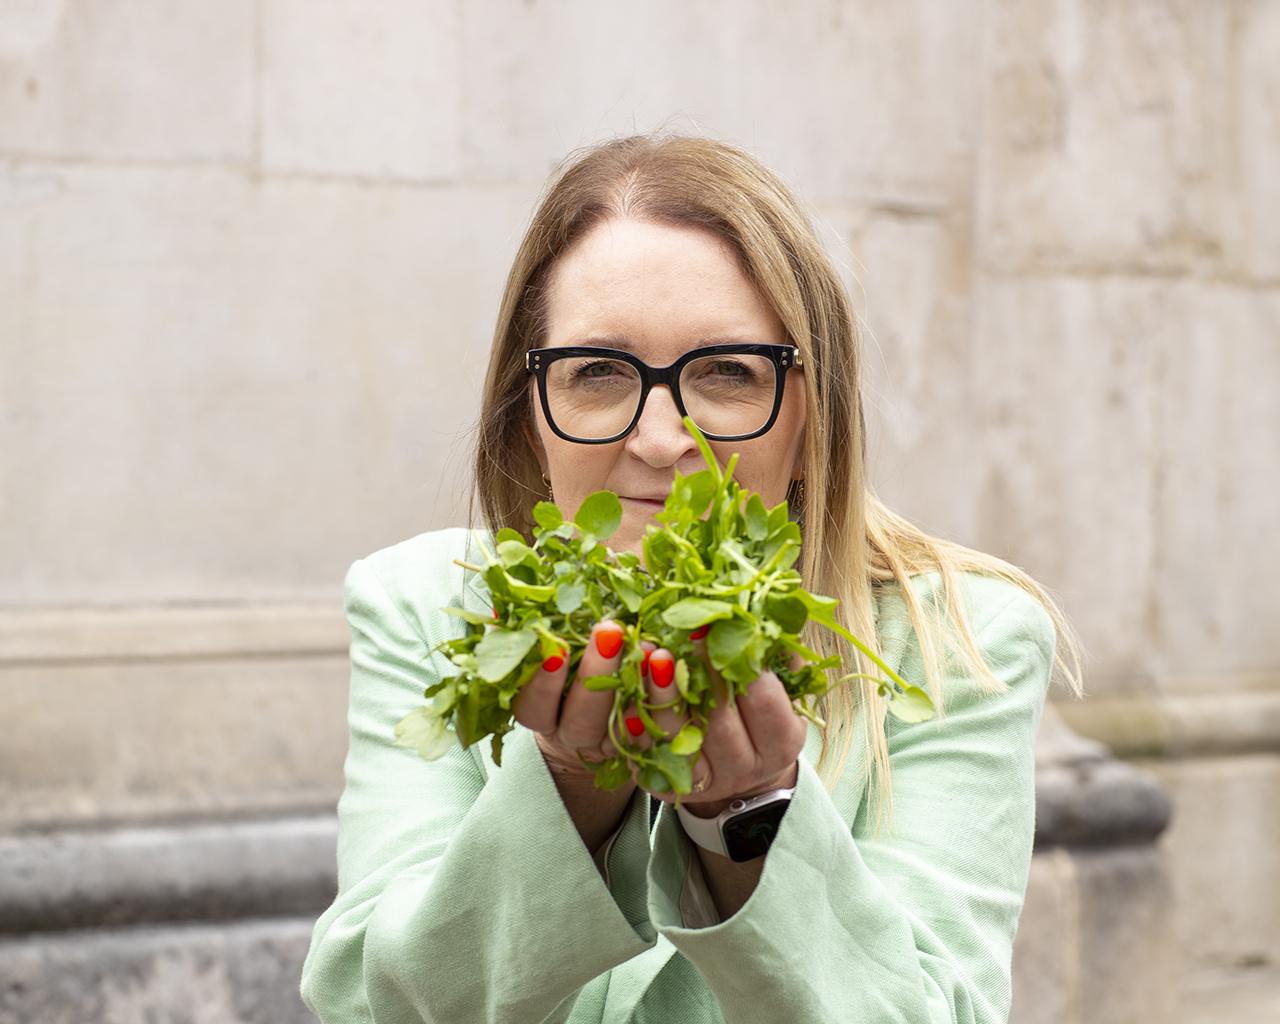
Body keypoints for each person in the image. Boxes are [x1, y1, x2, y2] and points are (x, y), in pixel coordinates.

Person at [300, 134, 1080, 1024]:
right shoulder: (425, 604)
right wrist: (564, 792)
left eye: (726, 372)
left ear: (811, 421)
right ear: (529, 424)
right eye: (597, 371)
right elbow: (375, 1005)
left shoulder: (962, 642)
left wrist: (747, 824)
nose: (662, 438)